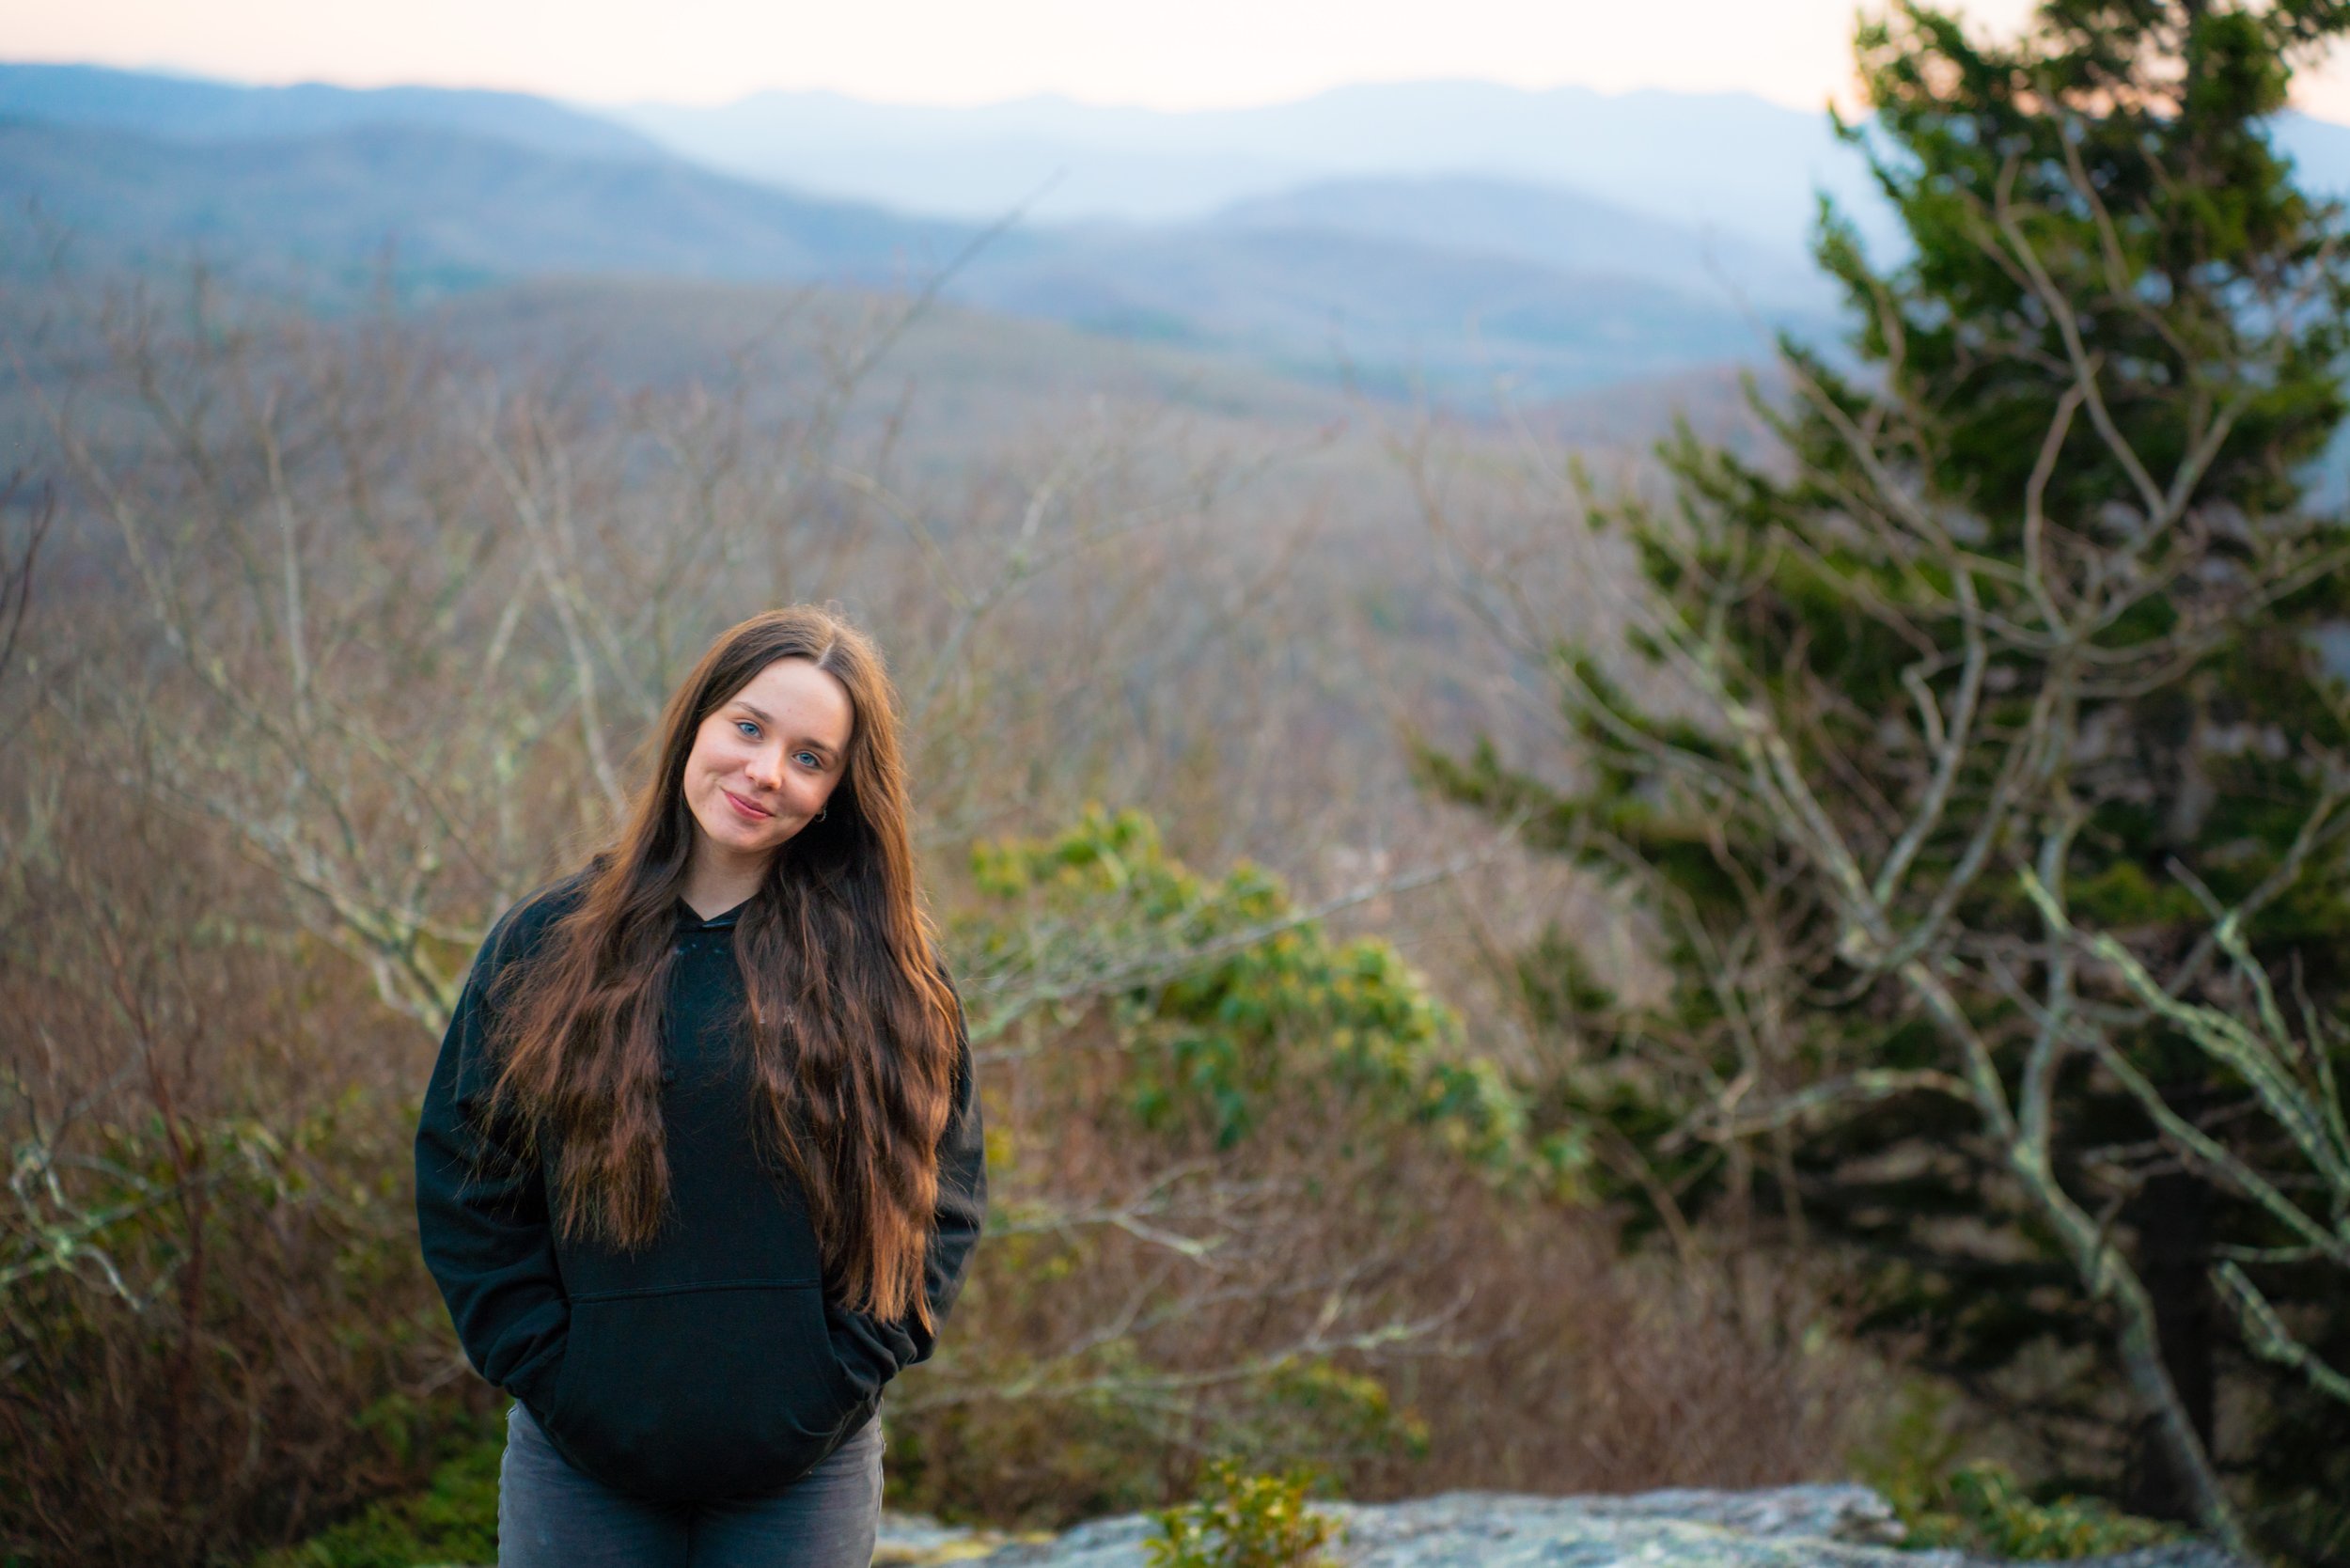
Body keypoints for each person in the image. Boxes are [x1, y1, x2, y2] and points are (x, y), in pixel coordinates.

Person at [414, 604, 986, 1568]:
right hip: (578, 1467)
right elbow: (468, 1180)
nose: (766, 772)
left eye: (810, 758)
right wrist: (558, 1380)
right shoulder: (546, 944)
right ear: (697, 723)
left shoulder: (885, 970)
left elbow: (941, 1199)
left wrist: (828, 1389)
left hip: (804, 1474)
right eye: (748, 728)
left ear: (838, 791)